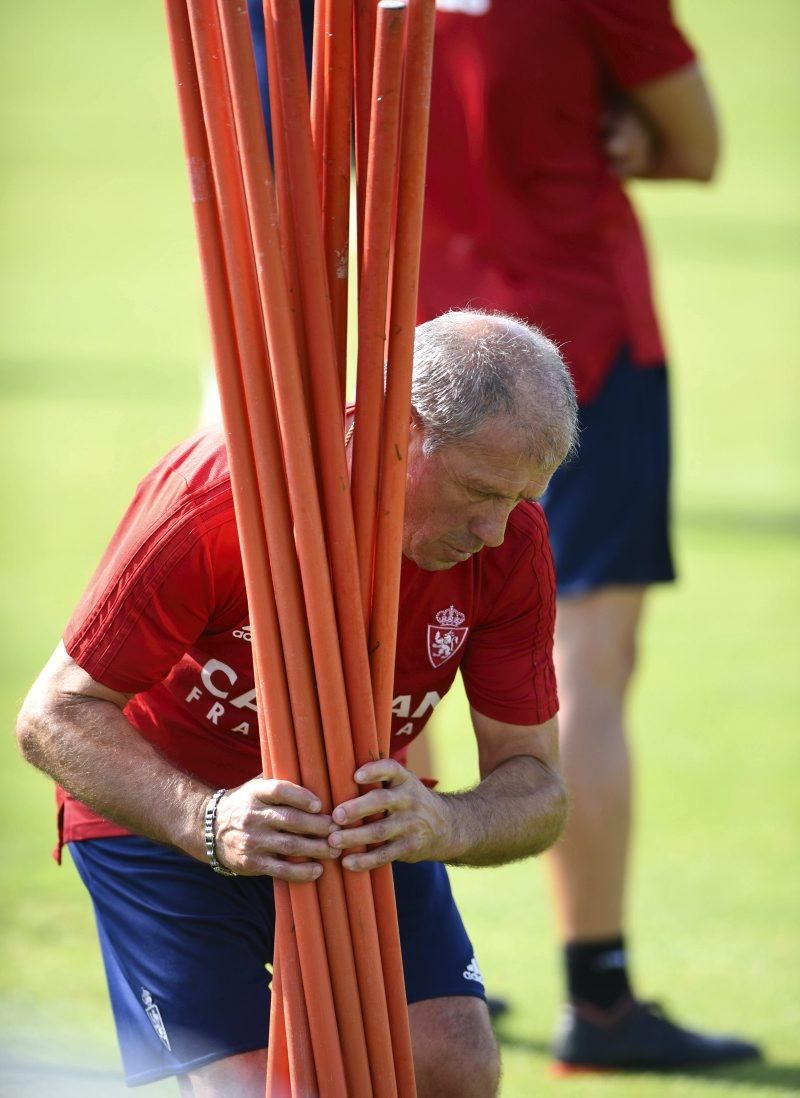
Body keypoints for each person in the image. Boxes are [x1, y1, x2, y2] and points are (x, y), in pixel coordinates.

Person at [17, 311, 578, 1097]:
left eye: (521, 497)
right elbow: (53, 718)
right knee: (257, 1089)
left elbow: (537, 786)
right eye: (480, 491)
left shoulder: (511, 545)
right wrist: (207, 821)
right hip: (160, 815)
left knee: (451, 1059)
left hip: (351, 810)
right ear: (401, 432)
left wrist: (445, 821)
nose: (494, 529)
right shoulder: (222, 506)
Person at [417, 0, 760, 1074]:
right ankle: (598, 998)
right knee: (591, 665)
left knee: (372, 651)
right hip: (577, 341)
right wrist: (618, 130)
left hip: (402, 344)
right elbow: (694, 146)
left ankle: (396, 958)